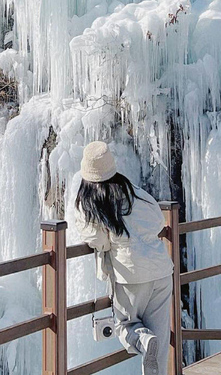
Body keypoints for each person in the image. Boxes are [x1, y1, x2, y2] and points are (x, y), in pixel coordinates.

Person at [73, 141, 174, 375]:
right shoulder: (133, 191)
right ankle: (151, 347)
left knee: (125, 326)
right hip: (161, 270)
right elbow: (159, 221)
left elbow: (98, 241)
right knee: (160, 339)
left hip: (131, 275)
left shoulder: (92, 202)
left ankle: (143, 340)